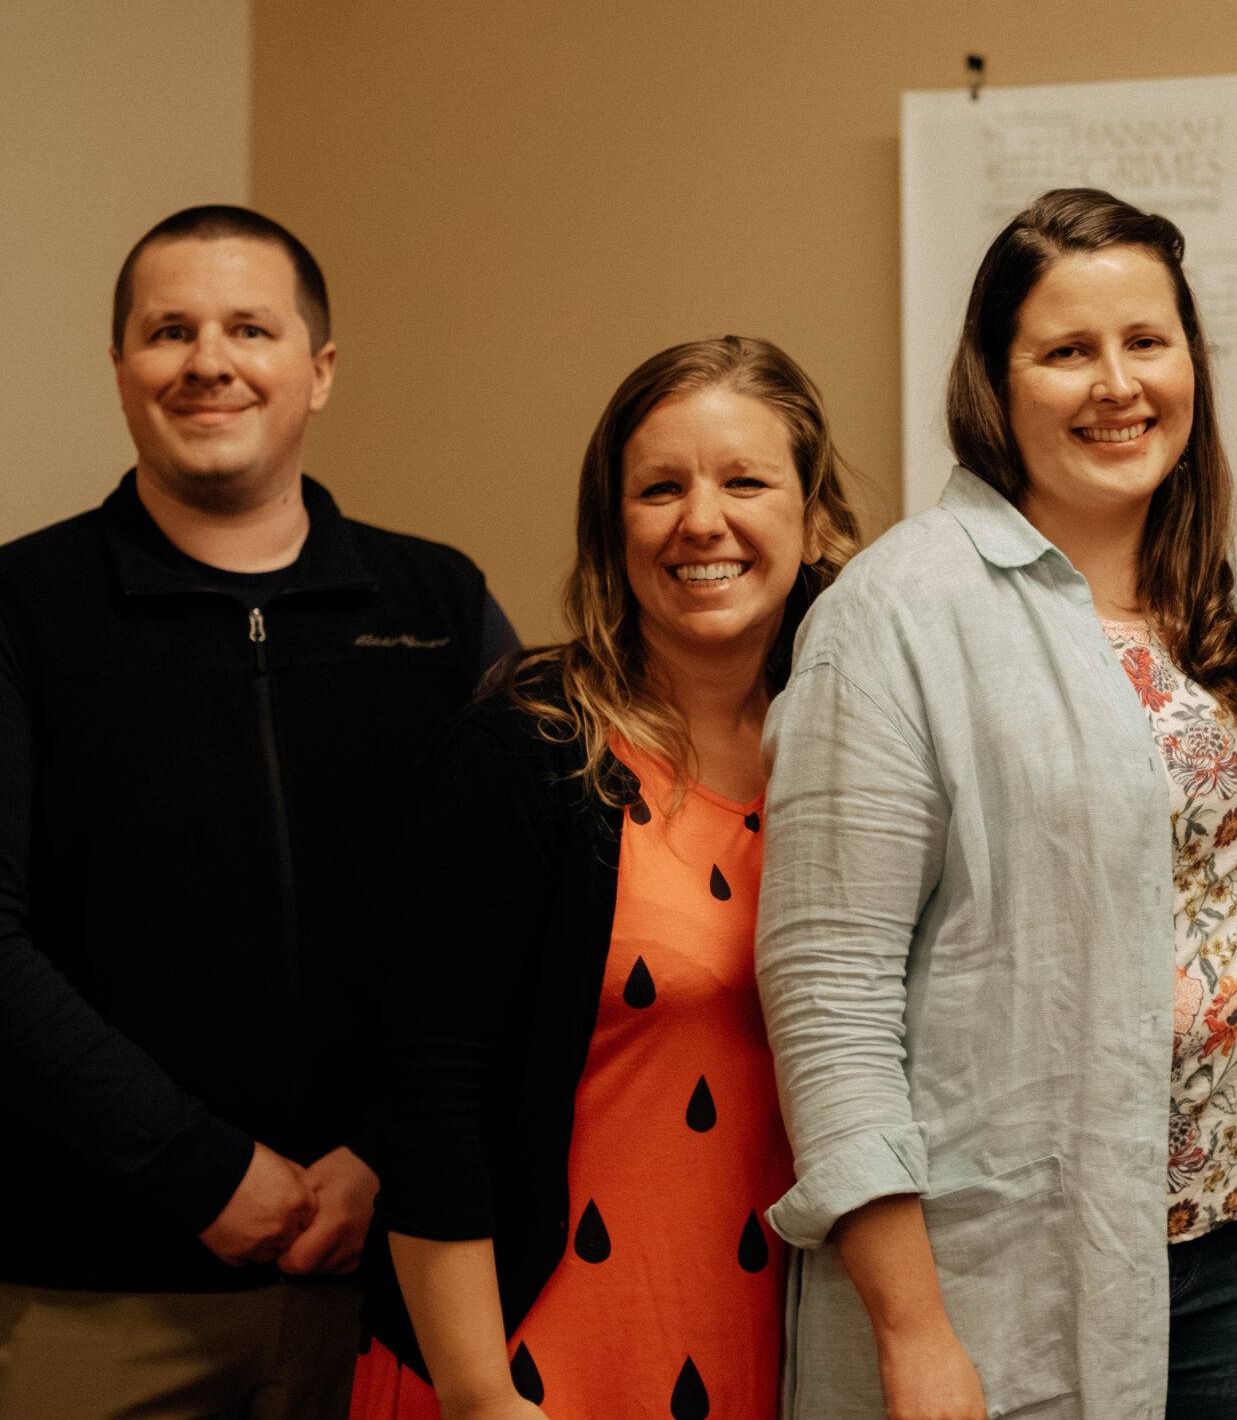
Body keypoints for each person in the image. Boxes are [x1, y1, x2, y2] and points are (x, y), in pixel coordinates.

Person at [755, 187, 1237, 1420]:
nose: (1117, 384)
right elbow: (828, 988)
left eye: (1147, 342)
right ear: (998, 382)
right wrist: (913, 1329)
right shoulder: (896, 615)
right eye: (1066, 351)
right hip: (1009, 1266)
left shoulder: (1226, 606)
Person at [0, 206, 514, 1420]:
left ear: (318, 370)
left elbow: (516, 917)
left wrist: (384, 1150)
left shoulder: (440, 603)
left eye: (249, 327)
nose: (208, 360)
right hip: (98, 1292)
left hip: (399, 1280)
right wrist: (199, 1169)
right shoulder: (23, 608)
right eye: (168, 330)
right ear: (122, 370)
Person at [351, 335, 862, 1420]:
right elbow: (426, 1094)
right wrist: (480, 1394)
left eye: (746, 481)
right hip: (531, 1355)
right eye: (660, 488)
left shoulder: (860, 759)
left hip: (778, 1351)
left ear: (815, 518)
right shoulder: (522, 749)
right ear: (611, 527)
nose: (701, 520)